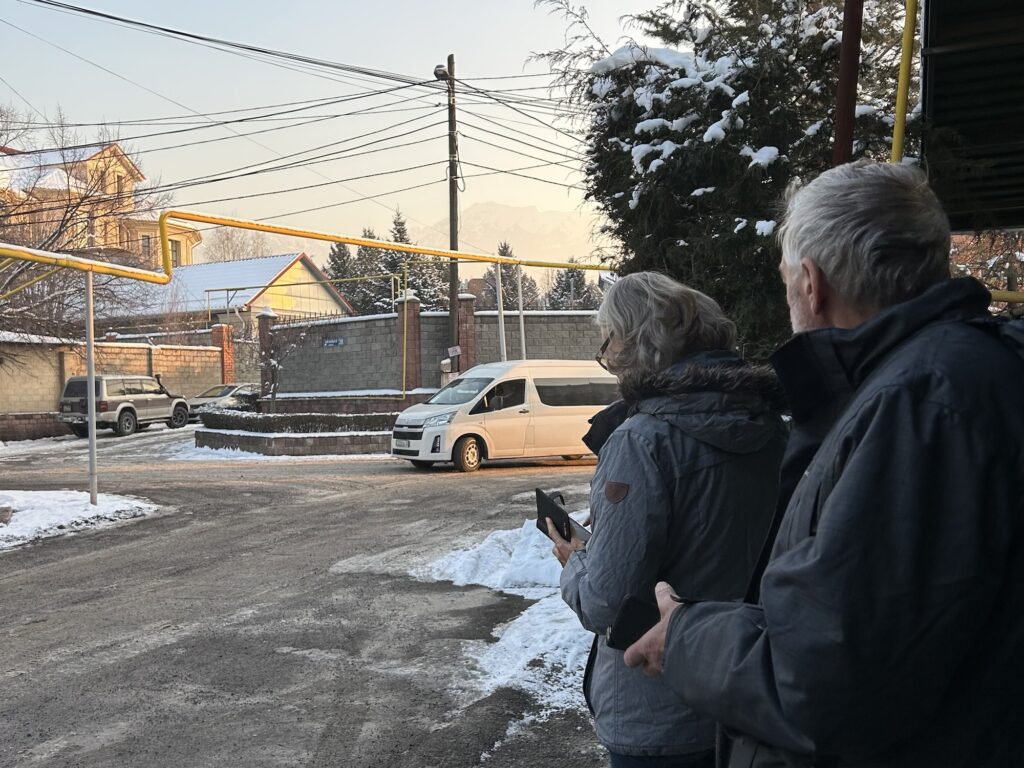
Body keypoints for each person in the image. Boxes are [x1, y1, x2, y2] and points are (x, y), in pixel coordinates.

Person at [624, 160, 1024, 768]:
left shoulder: (920, 406)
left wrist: (685, 634)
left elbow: (823, 681)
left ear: (811, 283)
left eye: (785, 278)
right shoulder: (944, 379)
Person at [548, 272, 787, 768]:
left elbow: (605, 603)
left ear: (640, 344)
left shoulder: (643, 440)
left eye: (610, 339)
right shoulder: (767, 426)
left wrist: (575, 560)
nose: (608, 356)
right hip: (746, 691)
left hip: (657, 711)